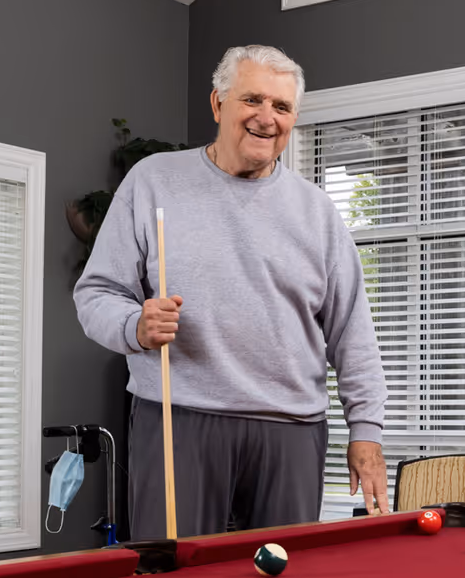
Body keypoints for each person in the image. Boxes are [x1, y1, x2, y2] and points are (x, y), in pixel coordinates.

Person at [74, 44, 388, 537]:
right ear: (218, 104)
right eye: (252, 100)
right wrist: (134, 326)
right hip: (177, 419)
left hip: (291, 430)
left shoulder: (318, 212)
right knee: (173, 575)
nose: (267, 118)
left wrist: (366, 431)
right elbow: (96, 293)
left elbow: (353, 332)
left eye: (281, 106)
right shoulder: (153, 181)